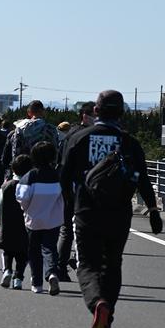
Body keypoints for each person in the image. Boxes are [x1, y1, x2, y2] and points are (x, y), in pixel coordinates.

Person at [60, 90, 162, 328]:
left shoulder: (79, 138)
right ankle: (108, 307)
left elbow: (63, 178)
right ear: (122, 113)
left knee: (88, 263)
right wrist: (153, 209)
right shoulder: (129, 143)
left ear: (96, 111)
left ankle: (98, 303)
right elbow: (144, 181)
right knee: (113, 263)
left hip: (86, 210)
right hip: (119, 212)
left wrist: (68, 208)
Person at [16, 141, 64, 295]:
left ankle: (37, 283)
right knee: (49, 248)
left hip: (33, 219)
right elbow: (64, 197)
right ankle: (51, 273)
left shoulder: (30, 176)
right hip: (53, 220)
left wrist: (26, 208)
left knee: (34, 251)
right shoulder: (57, 175)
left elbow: (22, 197)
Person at [56, 101, 95, 281]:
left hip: (69, 188)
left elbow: (61, 164)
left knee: (67, 230)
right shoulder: (88, 136)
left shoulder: (69, 134)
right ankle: (70, 264)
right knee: (84, 230)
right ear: (85, 116)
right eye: (94, 116)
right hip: (83, 189)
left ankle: (62, 266)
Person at [0, 154, 33, 290]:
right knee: (23, 254)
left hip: (8, 224)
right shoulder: (30, 186)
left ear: (13, 170)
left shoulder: (6, 186)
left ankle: (7, 270)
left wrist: (0, 219)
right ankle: (18, 278)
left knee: (7, 251)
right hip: (26, 225)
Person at [6, 100, 58, 174]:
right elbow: (55, 150)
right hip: (45, 170)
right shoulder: (51, 129)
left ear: (29, 112)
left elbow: (15, 150)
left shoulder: (20, 128)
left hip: (24, 169)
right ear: (43, 111)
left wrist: (15, 169)